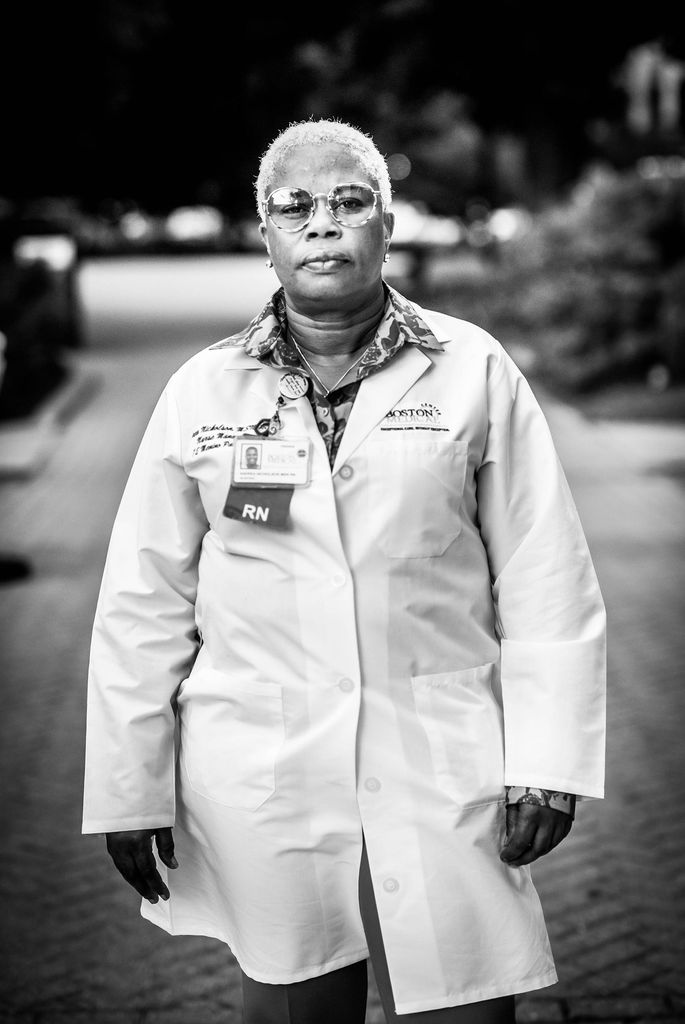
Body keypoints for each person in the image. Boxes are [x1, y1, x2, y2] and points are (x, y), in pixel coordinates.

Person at [82, 118, 606, 1024]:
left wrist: (547, 764)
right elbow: (143, 601)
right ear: (267, 236)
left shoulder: (473, 370)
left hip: (439, 761)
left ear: (386, 224)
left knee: (464, 1003)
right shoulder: (202, 393)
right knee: (293, 997)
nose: (322, 223)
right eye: (294, 207)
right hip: (264, 767)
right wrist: (127, 785)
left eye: (349, 200)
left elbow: (544, 574)